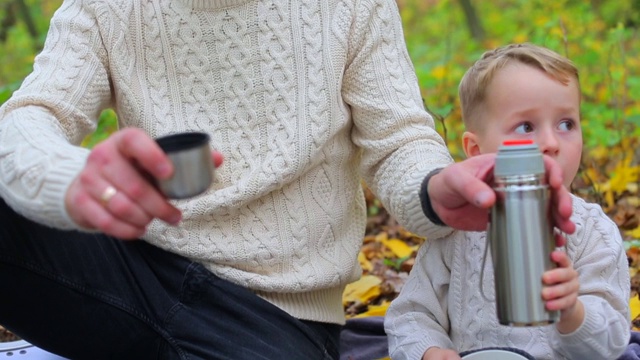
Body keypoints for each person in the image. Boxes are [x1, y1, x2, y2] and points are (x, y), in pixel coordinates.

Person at [0, 0, 574, 358]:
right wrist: (72, 176)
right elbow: (26, 121)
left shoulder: (354, 7)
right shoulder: (104, 8)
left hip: (276, 319)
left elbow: (399, 142)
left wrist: (434, 189)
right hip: (135, 271)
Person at [384, 43, 630, 360]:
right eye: (526, 126)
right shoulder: (457, 230)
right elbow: (412, 315)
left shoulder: (593, 232)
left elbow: (611, 343)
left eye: (566, 123)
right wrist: (429, 351)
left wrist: (573, 311)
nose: (552, 143)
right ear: (476, 151)